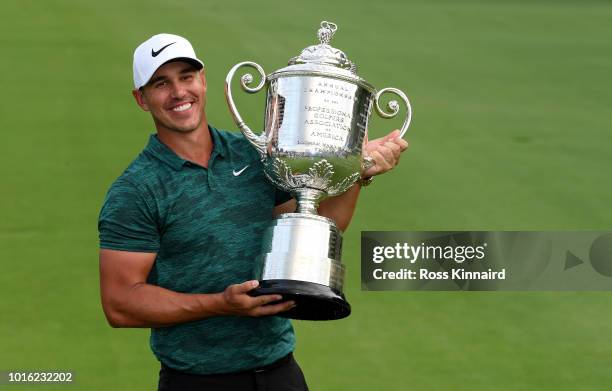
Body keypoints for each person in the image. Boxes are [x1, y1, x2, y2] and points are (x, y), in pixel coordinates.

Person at [98, 33, 408, 391]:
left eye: (186, 77)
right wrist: (221, 304)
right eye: (161, 83)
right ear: (141, 99)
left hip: (279, 373)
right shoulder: (136, 190)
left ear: (203, 80)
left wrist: (356, 172)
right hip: (197, 381)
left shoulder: (254, 154)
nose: (179, 92)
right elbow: (120, 305)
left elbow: (317, 229)